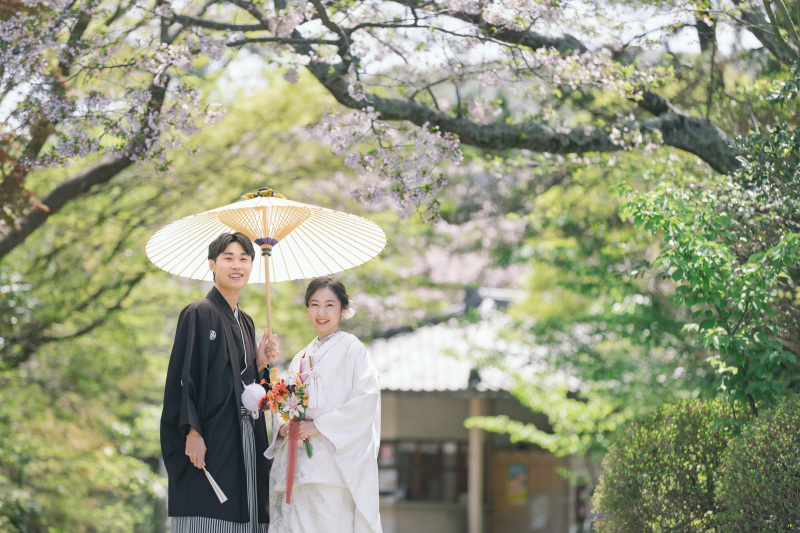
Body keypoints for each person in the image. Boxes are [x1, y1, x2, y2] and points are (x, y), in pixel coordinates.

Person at [160, 232, 279, 533]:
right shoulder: (198, 313)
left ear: (252, 265)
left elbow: (245, 382)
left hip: (247, 433)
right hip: (213, 432)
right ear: (212, 264)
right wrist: (192, 431)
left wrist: (260, 363)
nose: (236, 265)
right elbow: (184, 377)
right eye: (228, 258)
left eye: (244, 258)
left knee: (250, 508)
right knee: (212, 511)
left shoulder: (247, 321)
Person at [265, 276, 382, 533]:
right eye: (314, 304)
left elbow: (365, 402)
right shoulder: (300, 357)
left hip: (332, 469)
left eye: (329, 305)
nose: (321, 312)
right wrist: (284, 425)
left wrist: (318, 426)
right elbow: (285, 405)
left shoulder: (353, 350)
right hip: (299, 468)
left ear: (343, 308)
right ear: (307, 308)